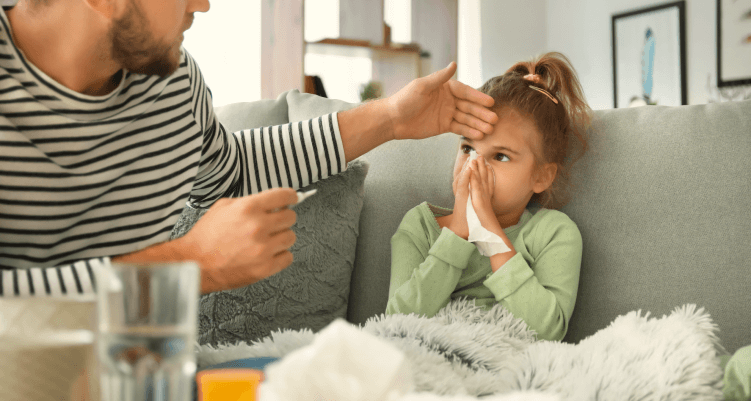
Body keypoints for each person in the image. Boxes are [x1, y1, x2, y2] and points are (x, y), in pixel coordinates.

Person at [0, 0, 499, 296]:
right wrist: (185, 265)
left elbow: (232, 170)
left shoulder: (172, 83)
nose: (203, 3)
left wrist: (390, 118)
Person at [385, 52, 592, 341]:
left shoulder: (553, 233)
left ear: (542, 176)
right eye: (468, 148)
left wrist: (491, 236)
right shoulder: (421, 226)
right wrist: (458, 232)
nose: (474, 166)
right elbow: (395, 323)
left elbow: (548, 332)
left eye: (500, 156)